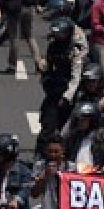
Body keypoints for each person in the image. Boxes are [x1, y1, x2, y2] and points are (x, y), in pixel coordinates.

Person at [36, 17, 88, 151]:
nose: (58, 37)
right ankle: (39, 156)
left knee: (68, 129)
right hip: (54, 90)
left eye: (61, 34)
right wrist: (44, 74)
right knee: (47, 126)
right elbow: (48, 66)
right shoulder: (53, 47)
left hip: (68, 93)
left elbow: (76, 77)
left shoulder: (75, 51)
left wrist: (66, 97)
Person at [63, 101, 104, 176]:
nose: (80, 122)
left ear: (93, 120)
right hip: (74, 173)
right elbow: (63, 153)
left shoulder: (103, 134)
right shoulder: (72, 136)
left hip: (95, 174)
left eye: (84, 120)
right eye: (79, 119)